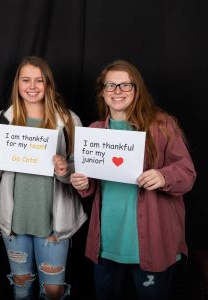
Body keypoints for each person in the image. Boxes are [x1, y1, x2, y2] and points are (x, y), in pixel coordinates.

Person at [70, 60, 196, 300]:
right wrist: (83, 184)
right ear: (103, 92)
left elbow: (187, 174)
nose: (118, 91)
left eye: (125, 85)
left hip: (153, 243)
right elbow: (92, 184)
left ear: (137, 89)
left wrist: (163, 175)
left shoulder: (162, 125)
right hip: (107, 244)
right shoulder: (94, 131)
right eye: (111, 85)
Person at [0, 56, 87, 300]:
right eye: (26, 80)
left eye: (39, 81)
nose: (32, 86)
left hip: (53, 221)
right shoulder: (4, 119)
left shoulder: (69, 120)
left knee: (52, 291)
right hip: (15, 219)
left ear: (49, 84)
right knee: (21, 285)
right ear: (17, 84)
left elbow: (78, 175)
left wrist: (64, 171)